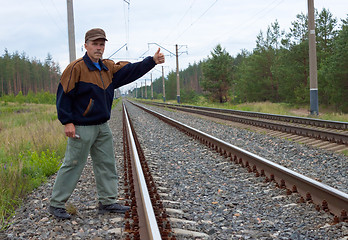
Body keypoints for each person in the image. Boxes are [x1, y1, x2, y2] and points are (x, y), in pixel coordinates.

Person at [49, 28, 165, 219]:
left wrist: (151, 61)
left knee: (106, 163)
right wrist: (67, 122)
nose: (99, 48)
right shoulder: (76, 68)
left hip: (102, 126)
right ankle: (56, 204)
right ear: (85, 45)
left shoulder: (107, 68)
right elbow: (63, 96)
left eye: (102, 44)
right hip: (82, 126)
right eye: (95, 44)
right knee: (73, 163)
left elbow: (130, 71)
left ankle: (107, 201)